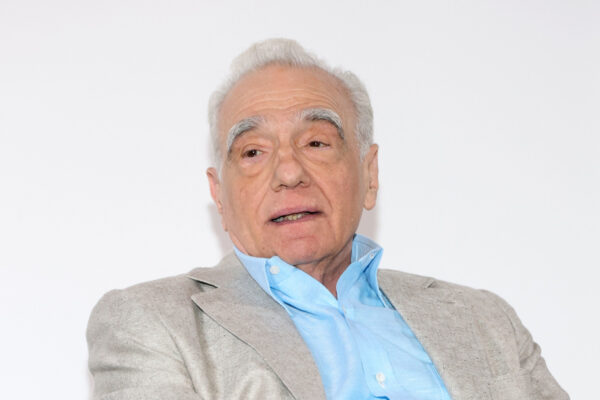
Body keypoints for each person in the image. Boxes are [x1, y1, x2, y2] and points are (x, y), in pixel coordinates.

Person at [87, 38, 569, 400]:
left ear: (369, 173)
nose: (289, 172)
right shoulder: (151, 324)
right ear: (220, 196)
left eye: (316, 142)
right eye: (253, 152)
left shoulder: (484, 319)